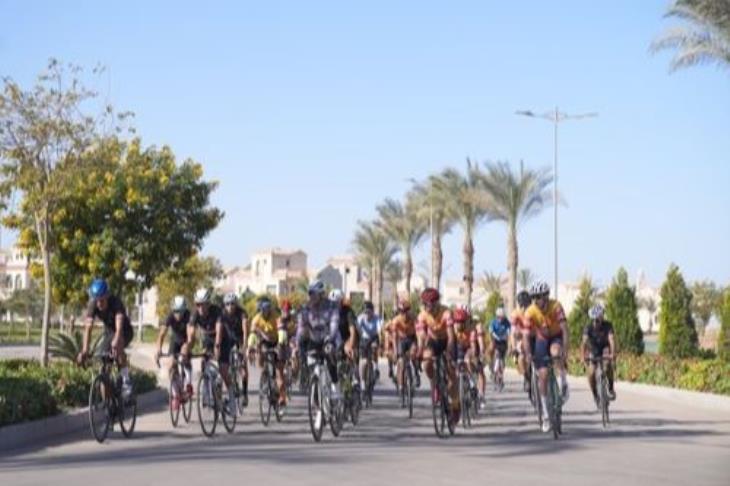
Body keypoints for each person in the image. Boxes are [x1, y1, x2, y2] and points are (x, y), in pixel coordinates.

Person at [524, 280, 569, 433]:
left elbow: (565, 330)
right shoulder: (530, 312)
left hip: (555, 336)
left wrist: (566, 351)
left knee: (556, 353)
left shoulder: (556, 306)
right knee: (542, 375)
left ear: (546, 296)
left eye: (539, 297)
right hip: (541, 339)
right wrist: (528, 354)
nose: (536, 301)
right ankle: (545, 414)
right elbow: (525, 337)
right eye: (534, 298)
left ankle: (562, 380)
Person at [78, 278, 135, 398]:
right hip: (109, 333)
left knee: (117, 345)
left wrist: (117, 339)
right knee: (104, 369)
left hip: (124, 330)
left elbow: (119, 327)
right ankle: (110, 405)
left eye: (102, 300)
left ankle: (126, 380)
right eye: (97, 300)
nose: (99, 304)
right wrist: (84, 350)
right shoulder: (93, 305)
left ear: (107, 296)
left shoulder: (116, 302)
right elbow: (88, 328)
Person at [415, 287, 459, 425]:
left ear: (436, 303)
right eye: (424, 304)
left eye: (428, 304)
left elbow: (451, 336)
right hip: (433, 342)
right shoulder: (422, 315)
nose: (425, 307)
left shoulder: (446, 313)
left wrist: (449, 353)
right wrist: (419, 353)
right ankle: (435, 384)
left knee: (452, 375)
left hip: (447, 341)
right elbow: (422, 338)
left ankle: (456, 406)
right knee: (427, 362)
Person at [296, 280, 341, 408]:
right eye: (309, 294)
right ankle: (317, 402)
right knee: (310, 364)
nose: (311, 297)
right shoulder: (306, 309)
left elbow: (334, 324)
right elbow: (300, 328)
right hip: (314, 339)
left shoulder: (332, 306)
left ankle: (335, 386)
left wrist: (330, 338)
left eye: (313, 294)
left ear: (321, 294)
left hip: (330, 337)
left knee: (329, 352)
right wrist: (297, 344)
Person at [154, 296, 193, 406]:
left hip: (186, 339)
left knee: (185, 357)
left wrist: (187, 347)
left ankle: (189, 384)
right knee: (171, 366)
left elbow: (190, 335)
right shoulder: (170, 316)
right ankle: (176, 395)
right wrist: (158, 350)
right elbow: (161, 335)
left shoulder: (189, 316)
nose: (178, 314)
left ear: (184, 310)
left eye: (180, 311)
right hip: (175, 341)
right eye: (176, 311)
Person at [249, 295, 286, 405]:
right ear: (260, 310)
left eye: (267, 308)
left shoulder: (276, 316)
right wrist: (250, 347)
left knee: (279, 372)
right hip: (264, 342)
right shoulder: (256, 319)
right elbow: (252, 335)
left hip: (276, 341)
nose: (266, 311)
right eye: (263, 309)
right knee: (260, 352)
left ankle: (282, 397)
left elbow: (281, 331)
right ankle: (264, 375)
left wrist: (280, 344)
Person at [581, 304, 617, 405]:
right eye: (593, 320)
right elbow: (584, 343)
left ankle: (610, 388)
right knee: (591, 373)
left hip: (605, 347)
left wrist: (613, 354)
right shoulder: (588, 328)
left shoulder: (608, 325)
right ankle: (595, 395)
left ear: (602, 317)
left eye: (597, 320)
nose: (595, 322)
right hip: (594, 349)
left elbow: (612, 340)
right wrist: (583, 357)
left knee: (607, 366)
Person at [221, 292, 249, 407]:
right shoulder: (222, 313)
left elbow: (245, 330)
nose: (230, 306)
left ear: (236, 304)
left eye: (232, 304)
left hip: (239, 339)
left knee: (242, 367)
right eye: (227, 304)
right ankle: (230, 388)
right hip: (228, 339)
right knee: (224, 365)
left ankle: (245, 393)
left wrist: (244, 347)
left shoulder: (242, 313)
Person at [453, 306, 484, 406]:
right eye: (458, 321)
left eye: (463, 321)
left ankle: (473, 385)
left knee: (470, 362)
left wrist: (477, 355)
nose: (460, 324)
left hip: (470, 347)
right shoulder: (453, 328)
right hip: (459, 347)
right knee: (455, 368)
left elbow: (475, 346)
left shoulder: (473, 328)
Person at [328, 289, 358, 383]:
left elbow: (352, 331)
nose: (334, 305)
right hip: (334, 340)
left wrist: (350, 345)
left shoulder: (348, 312)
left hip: (348, 339)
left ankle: (354, 378)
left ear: (341, 301)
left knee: (350, 354)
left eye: (336, 302)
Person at [390, 298, 420, 391]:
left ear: (409, 310)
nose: (404, 313)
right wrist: (395, 351)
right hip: (401, 340)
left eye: (406, 310)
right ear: (399, 312)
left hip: (411, 338)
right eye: (402, 311)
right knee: (401, 362)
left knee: (413, 354)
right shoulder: (396, 320)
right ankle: (401, 385)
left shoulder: (414, 318)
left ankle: (415, 373)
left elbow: (419, 332)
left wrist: (419, 346)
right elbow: (394, 337)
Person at [511, 290, 533, 392]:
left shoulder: (534, 310)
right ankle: (526, 377)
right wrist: (514, 347)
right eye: (522, 305)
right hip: (522, 338)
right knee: (521, 358)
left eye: (526, 305)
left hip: (534, 336)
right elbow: (513, 333)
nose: (524, 308)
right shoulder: (515, 314)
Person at [357, 301, 381, 383]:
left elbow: (379, 329)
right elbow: (357, 329)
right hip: (364, 338)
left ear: (372, 311)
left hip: (374, 337)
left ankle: (375, 367)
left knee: (374, 348)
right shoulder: (360, 318)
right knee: (363, 361)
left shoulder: (376, 318)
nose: (367, 314)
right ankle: (363, 383)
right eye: (365, 312)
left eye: (369, 312)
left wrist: (380, 338)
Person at [488, 306, 512, 385]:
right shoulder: (493, 322)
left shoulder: (507, 322)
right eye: (499, 317)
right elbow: (491, 332)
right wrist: (494, 339)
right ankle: (491, 366)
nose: (501, 319)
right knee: (494, 351)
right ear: (497, 316)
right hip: (495, 340)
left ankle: (500, 375)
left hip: (503, 341)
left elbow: (509, 333)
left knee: (502, 360)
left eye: (502, 317)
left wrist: (509, 346)